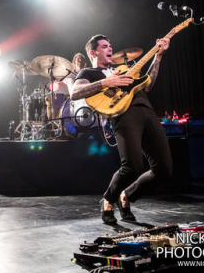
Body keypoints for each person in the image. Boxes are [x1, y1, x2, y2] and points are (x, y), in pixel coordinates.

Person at [71, 34, 172, 224]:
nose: (110, 49)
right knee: (132, 167)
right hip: (123, 114)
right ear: (93, 52)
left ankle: (126, 196)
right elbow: (74, 93)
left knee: (164, 169)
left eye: (110, 45)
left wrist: (158, 57)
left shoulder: (122, 69)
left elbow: (148, 83)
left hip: (147, 110)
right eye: (104, 46)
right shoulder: (88, 72)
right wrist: (106, 82)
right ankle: (108, 199)